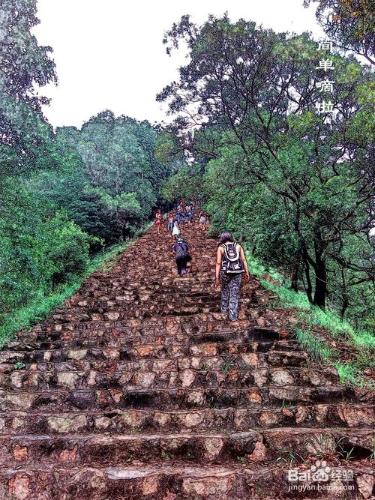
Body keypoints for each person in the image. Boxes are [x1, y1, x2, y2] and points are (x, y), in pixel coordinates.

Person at [215, 232, 250, 321]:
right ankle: (233, 317)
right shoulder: (238, 246)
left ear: (222, 238)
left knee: (225, 290)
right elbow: (243, 260)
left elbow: (218, 263)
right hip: (237, 272)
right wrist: (246, 272)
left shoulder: (221, 248)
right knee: (234, 293)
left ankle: (223, 312)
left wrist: (217, 277)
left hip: (225, 272)